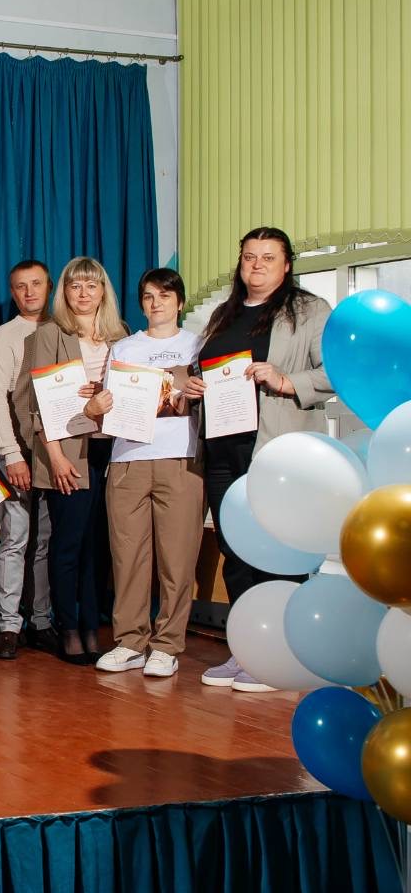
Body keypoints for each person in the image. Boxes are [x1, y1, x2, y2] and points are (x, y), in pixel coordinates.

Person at [191, 227, 332, 692]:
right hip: (222, 451)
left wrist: (286, 379)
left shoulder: (309, 310)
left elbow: (334, 371)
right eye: (249, 256)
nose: (256, 265)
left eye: (268, 257)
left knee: (278, 553)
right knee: (236, 554)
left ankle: (281, 655)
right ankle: (247, 649)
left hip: (275, 450)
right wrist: (193, 384)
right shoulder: (223, 313)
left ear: (287, 265)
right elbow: (203, 369)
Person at [14, 257, 128, 665]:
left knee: (97, 547)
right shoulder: (49, 334)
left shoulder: (120, 336)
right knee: (67, 546)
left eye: (91, 286)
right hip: (68, 451)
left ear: (103, 292)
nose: (83, 293)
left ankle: (91, 626)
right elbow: (34, 403)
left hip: (112, 452)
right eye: (75, 286)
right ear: (63, 292)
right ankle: (68, 628)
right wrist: (56, 458)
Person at [95, 268, 204, 678]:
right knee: (128, 558)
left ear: (180, 301)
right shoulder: (124, 348)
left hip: (181, 459)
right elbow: (109, 409)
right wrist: (98, 406)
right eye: (148, 296)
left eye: (164, 295)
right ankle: (129, 642)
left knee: (177, 558)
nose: (155, 303)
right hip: (128, 459)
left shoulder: (198, 345)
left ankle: (167, 645)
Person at [0, 260, 56, 660]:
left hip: (54, 453)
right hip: (18, 452)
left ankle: (41, 620)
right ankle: (9, 625)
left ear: (49, 286)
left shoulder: (62, 330)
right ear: (12, 293)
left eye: (36, 284)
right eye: (21, 286)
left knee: (44, 540)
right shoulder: (5, 336)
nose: (29, 292)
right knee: (15, 538)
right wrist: (11, 455)